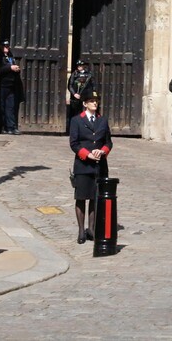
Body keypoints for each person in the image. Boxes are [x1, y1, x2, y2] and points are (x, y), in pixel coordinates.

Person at [69, 91, 112, 244]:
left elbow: (108, 142)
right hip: (83, 165)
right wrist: (87, 154)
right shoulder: (76, 120)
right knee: (81, 197)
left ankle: (91, 229)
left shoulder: (102, 120)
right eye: (92, 101)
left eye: (96, 101)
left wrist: (102, 151)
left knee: (95, 197)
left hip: (99, 165)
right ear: (85, 103)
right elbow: (74, 143)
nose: (95, 103)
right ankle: (81, 230)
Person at [0, 40, 24, 135]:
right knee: (2, 107)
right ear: (1, 47)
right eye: (5, 46)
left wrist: (16, 69)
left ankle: (11, 127)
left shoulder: (10, 56)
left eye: (8, 46)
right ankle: (2, 127)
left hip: (11, 85)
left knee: (10, 107)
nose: (7, 48)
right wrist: (10, 68)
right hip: (2, 85)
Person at [66, 60, 95, 134]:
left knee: (86, 113)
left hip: (86, 97)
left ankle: (87, 129)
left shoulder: (89, 74)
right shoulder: (74, 74)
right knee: (75, 113)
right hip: (76, 97)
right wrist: (74, 94)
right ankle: (74, 129)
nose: (79, 67)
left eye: (81, 66)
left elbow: (93, 86)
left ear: (84, 66)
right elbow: (70, 85)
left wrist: (92, 96)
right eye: (78, 66)